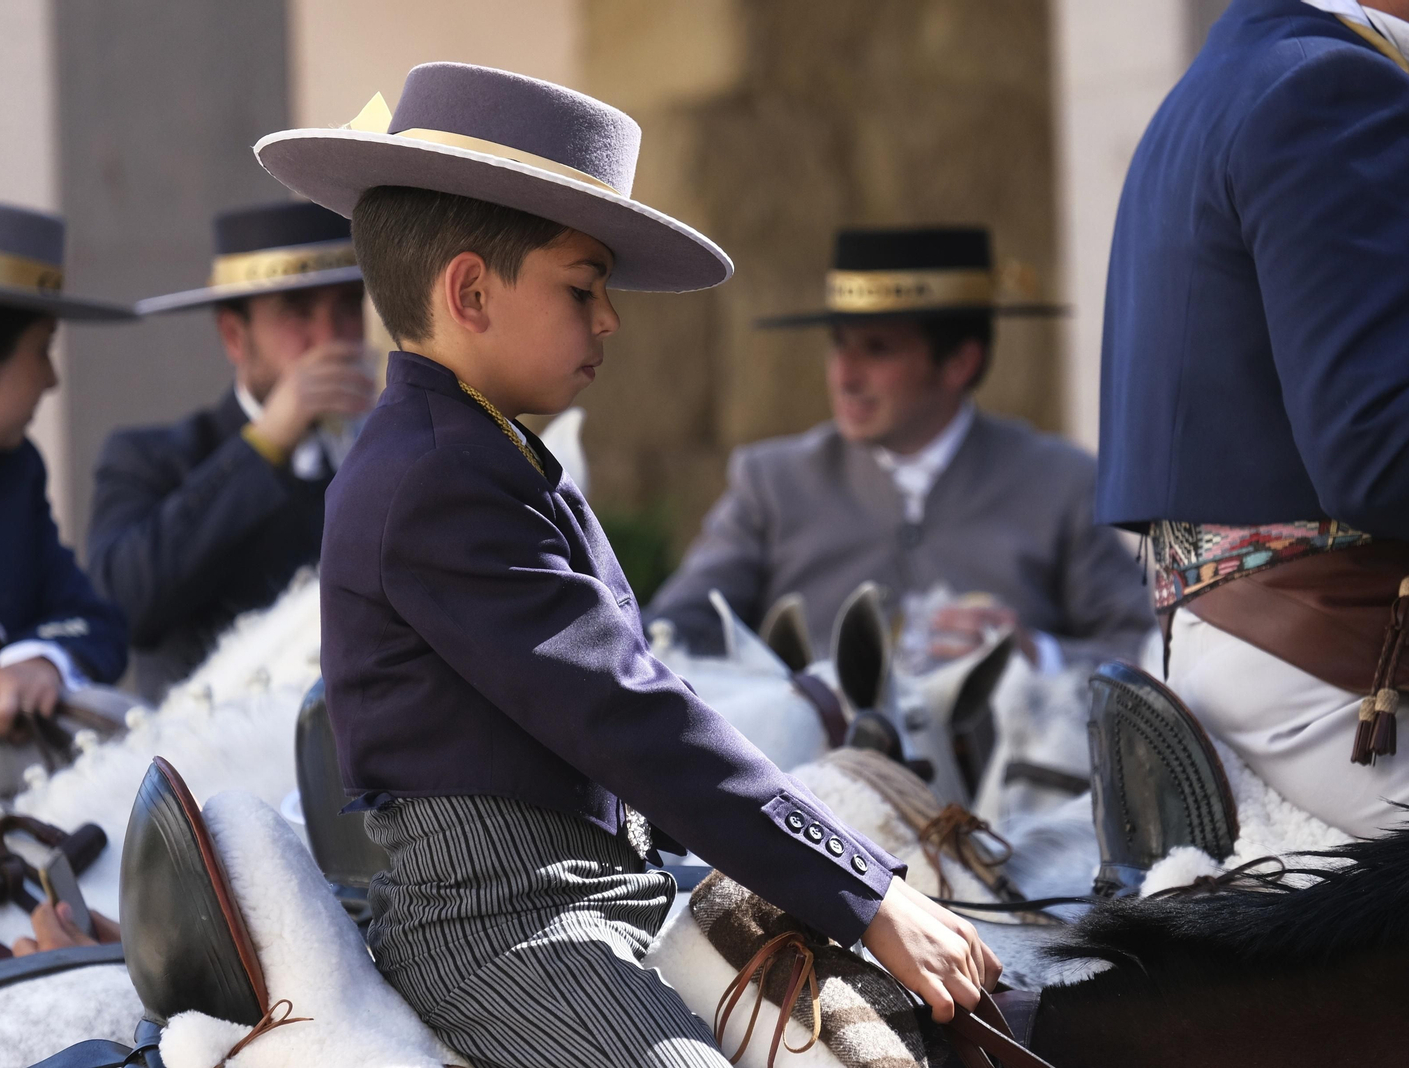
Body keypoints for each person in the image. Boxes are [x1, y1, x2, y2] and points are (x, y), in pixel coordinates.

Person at [258, 63, 999, 1068]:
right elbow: (625, 711)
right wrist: (866, 894)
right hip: (503, 927)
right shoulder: (437, 476)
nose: (608, 317)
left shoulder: (481, 451)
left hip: (607, 886)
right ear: (469, 291)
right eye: (582, 286)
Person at [1096, 0, 1409, 853]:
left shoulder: (1233, 78)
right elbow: (1385, 451)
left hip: (1273, 646)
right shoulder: (1336, 87)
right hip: (1347, 669)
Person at [647, 226, 1154, 668]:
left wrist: (1037, 657)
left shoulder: (1060, 483)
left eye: (878, 348)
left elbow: (1142, 649)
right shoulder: (772, 482)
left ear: (960, 363)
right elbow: (671, 634)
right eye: (839, 344)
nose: (845, 376)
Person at [87, 201, 374, 699]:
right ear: (234, 337)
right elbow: (119, 606)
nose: (330, 339)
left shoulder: (381, 456)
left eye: (349, 307)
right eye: (298, 312)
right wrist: (267, 442)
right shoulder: (151, 457)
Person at [0, 199, 129, 773]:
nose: (52, 379)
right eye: (43, 349)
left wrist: (38, 661)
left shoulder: (14, 472)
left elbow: (94, 621)